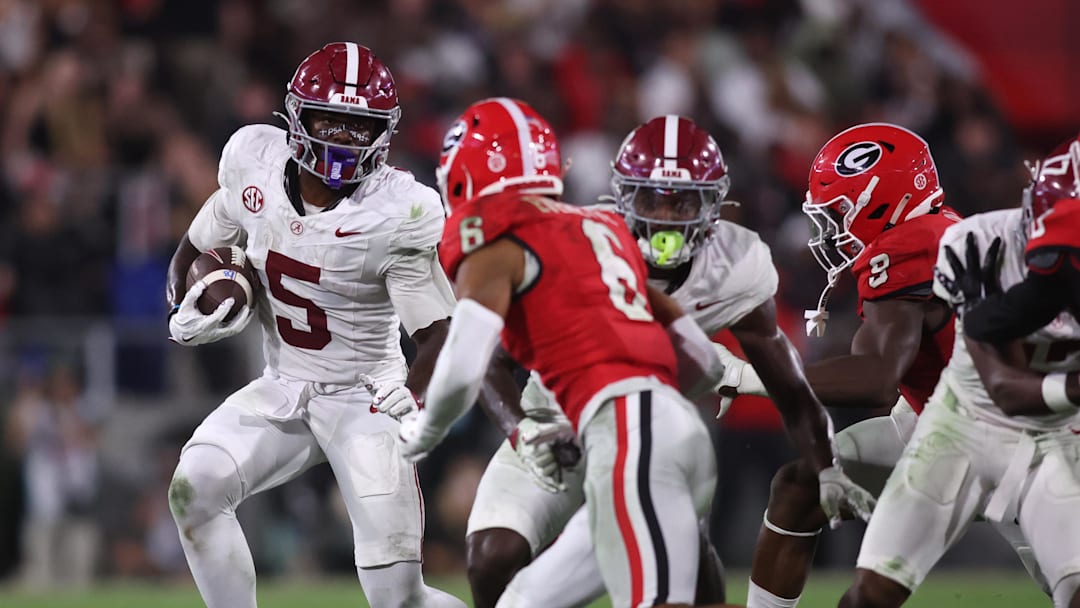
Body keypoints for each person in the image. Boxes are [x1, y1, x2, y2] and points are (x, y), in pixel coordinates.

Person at [395, 98, 871, 608]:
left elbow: (464, 361)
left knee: (672, 583)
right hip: (569, 418)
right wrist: (523, 427)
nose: (665, 218)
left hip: (632, 427)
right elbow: (692, 347)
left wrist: (422, 432)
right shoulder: (597, 234)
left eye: (681, 203)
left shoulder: (717, 260)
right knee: (503, 575)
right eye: (652, 200)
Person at [163, 42, 464, 608]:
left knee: (397, 598)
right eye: (331, 120)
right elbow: (198, 244)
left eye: (359, 126)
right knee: (194, 486)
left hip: (367, 397)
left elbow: (440, 334)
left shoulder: (399, 211)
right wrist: (182, 309)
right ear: (298, 116)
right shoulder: (254, 160)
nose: (343, 139)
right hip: (283, 385)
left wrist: (413, 392)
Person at [736, 123, 1039, 608]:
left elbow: (876, 377)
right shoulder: (942, 226)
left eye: (838, 212)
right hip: (949, 425)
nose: (831, 228)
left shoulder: (907, 249)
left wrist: (759, 376)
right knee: (801, 486)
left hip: (1015, 453)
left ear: (879, 201)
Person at [837, 144, 1080, 607]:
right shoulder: (977, 244)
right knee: (870, 595)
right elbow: (1003, 386)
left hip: (1055, 440)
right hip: (961, 424)